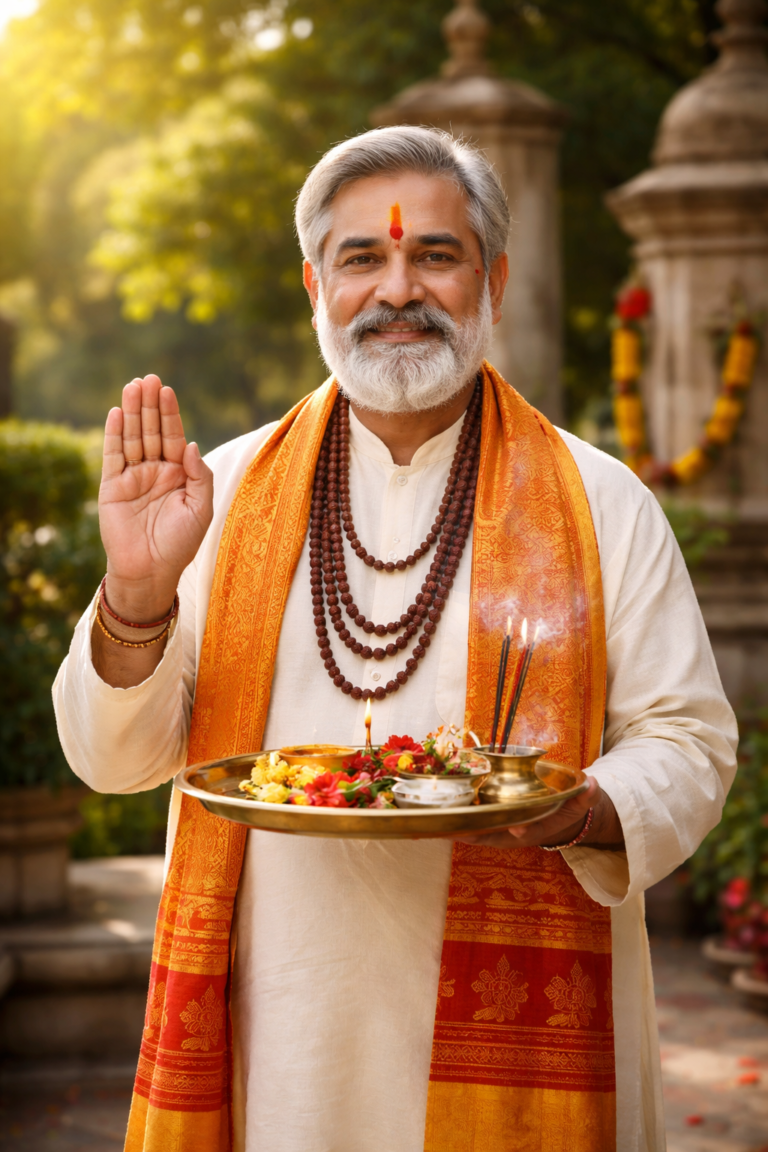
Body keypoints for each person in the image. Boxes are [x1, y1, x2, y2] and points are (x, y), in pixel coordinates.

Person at [53, 126, 737, 1152]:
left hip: (532, 1043)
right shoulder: (219, 496)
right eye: (362, 258)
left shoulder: (603, 503)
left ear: (494, 280)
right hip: (282, 1026)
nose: (398, 289)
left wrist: (580, 809)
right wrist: (140, 592)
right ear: (313, 285)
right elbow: (111, 761)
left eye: (437, 255)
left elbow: (689, 742)